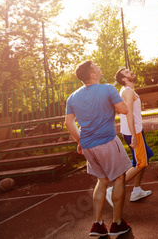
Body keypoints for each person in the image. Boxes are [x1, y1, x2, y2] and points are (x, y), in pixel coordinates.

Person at [65, 61, 132, 237]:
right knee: (118, 178)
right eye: (97, 66)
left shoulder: (72, 97)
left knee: (101, 181)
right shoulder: (108, 89)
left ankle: (97, 224)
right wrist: (122, 97)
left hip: (88, 147)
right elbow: (124, 110)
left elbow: (68, 122)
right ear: (93, 75)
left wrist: (80, 140)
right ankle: (117, 224)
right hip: (107, 142)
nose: (100, 67)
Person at [106, 68, 154, 206]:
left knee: (145, 158)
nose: (131, 72)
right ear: (124, 79)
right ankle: (113, 190)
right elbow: (129, 114)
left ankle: (137, 190)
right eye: (127, 72)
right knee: (141, 163)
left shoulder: (128, 91)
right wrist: (134, 135)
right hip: (134, 132)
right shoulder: (127, 91)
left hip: (136, 131)